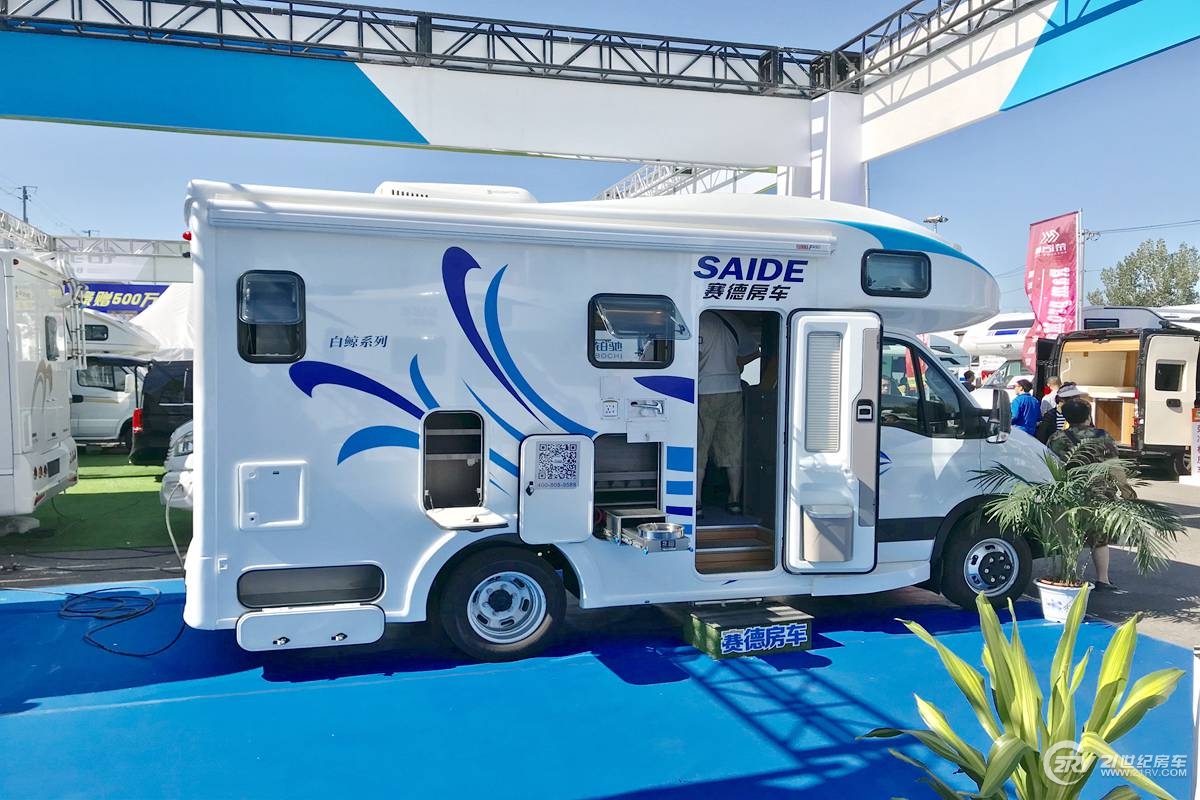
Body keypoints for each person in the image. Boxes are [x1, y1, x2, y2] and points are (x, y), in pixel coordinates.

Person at [1047, 397, 1135, 594]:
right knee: (1100, 538)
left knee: (1069, 536)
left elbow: (1050, 466)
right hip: (1099, 494)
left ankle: (1068, 577)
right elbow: (1114, 466)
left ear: (1066, 417)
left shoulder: (1056, 438)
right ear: (1088, 416)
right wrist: (1126, 490)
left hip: (1068, 494)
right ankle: (1103, 579)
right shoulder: (1102, 436)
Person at [697, 311, 759, 518]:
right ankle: (734, 501)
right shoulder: (732, 319)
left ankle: (696, 502)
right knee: (732, 446)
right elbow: (754, 351)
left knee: (699, 447)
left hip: (703, 390)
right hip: (733, 390)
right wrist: (735, 365)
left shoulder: (696, 318)